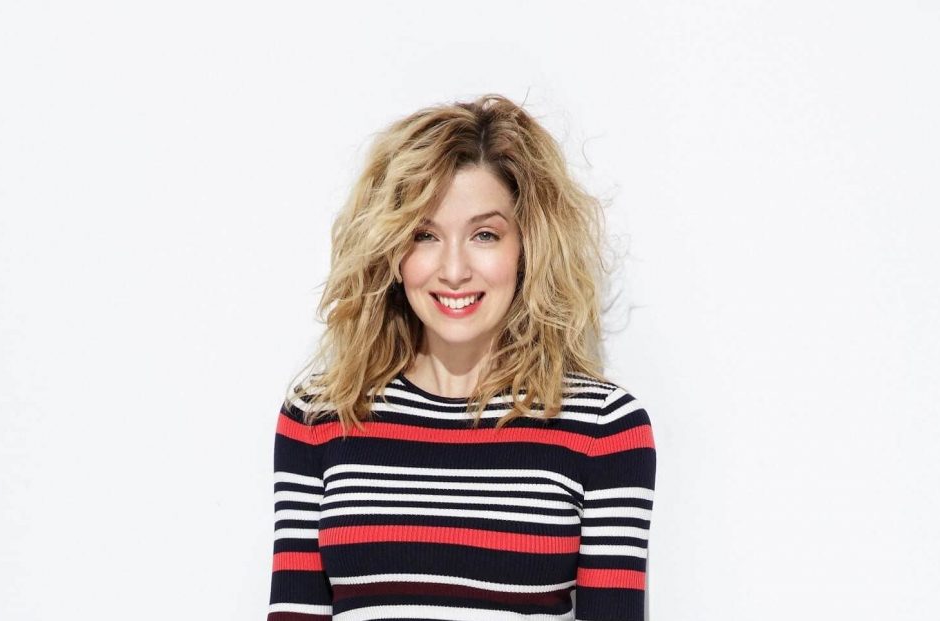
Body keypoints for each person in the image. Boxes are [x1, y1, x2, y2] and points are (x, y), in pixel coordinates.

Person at [268, 94, 657, 620]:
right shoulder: (319, 416)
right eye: (424, 235)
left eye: (484, 235)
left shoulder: (602, 428)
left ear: (528, 247)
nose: (453, 270)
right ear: (391, 250)